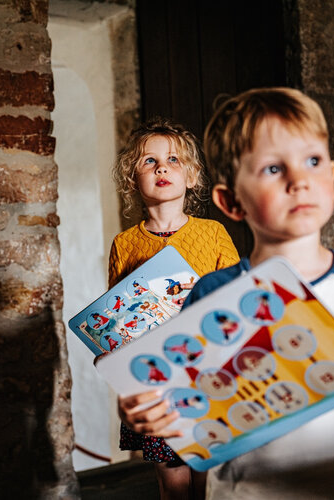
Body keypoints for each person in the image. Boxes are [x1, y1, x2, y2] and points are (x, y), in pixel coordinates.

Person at [118, 88, 334, 499]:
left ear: (332, 177)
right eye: (271, 169)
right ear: (231, 201)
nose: (299, 180)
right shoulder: (212, 293)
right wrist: (150, 413)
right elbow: (186, 412)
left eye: (313, 161)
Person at [110, 118, 239, 499]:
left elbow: (232, 300)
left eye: (173, 160)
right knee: (173, 483)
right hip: (156, 378)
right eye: (149, 162)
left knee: (208, 480)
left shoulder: (213, 234)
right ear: (134, 180)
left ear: (193, 177)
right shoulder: (125, 243)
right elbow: (119, 316)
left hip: (207, 369)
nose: (161, 167)